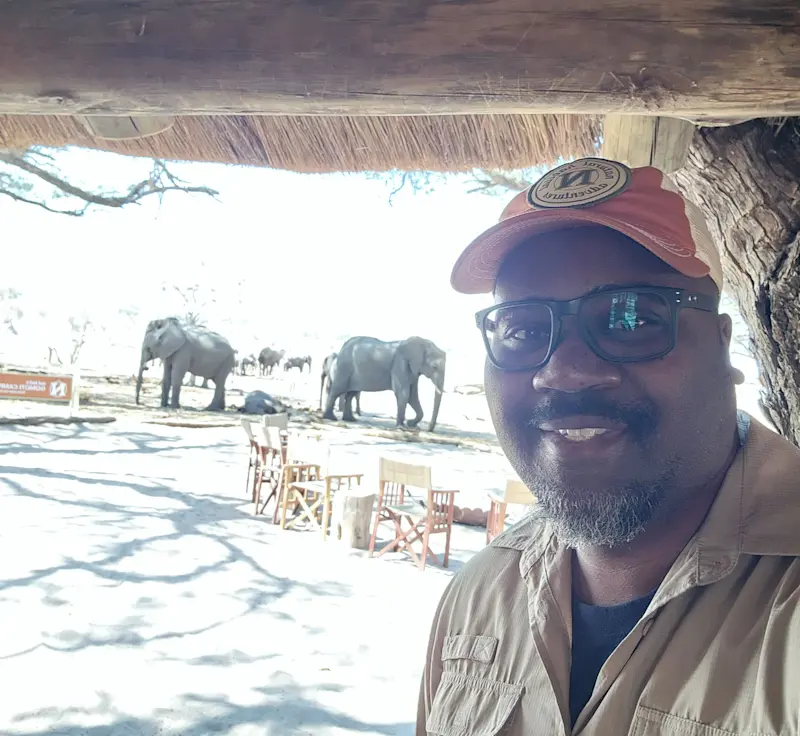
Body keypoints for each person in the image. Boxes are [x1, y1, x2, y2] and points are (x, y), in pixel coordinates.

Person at [415, 157, 800, 735]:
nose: (565, 371)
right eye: (522, 328)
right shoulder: (479, 597)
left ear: (722, 346)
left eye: (631, 318)